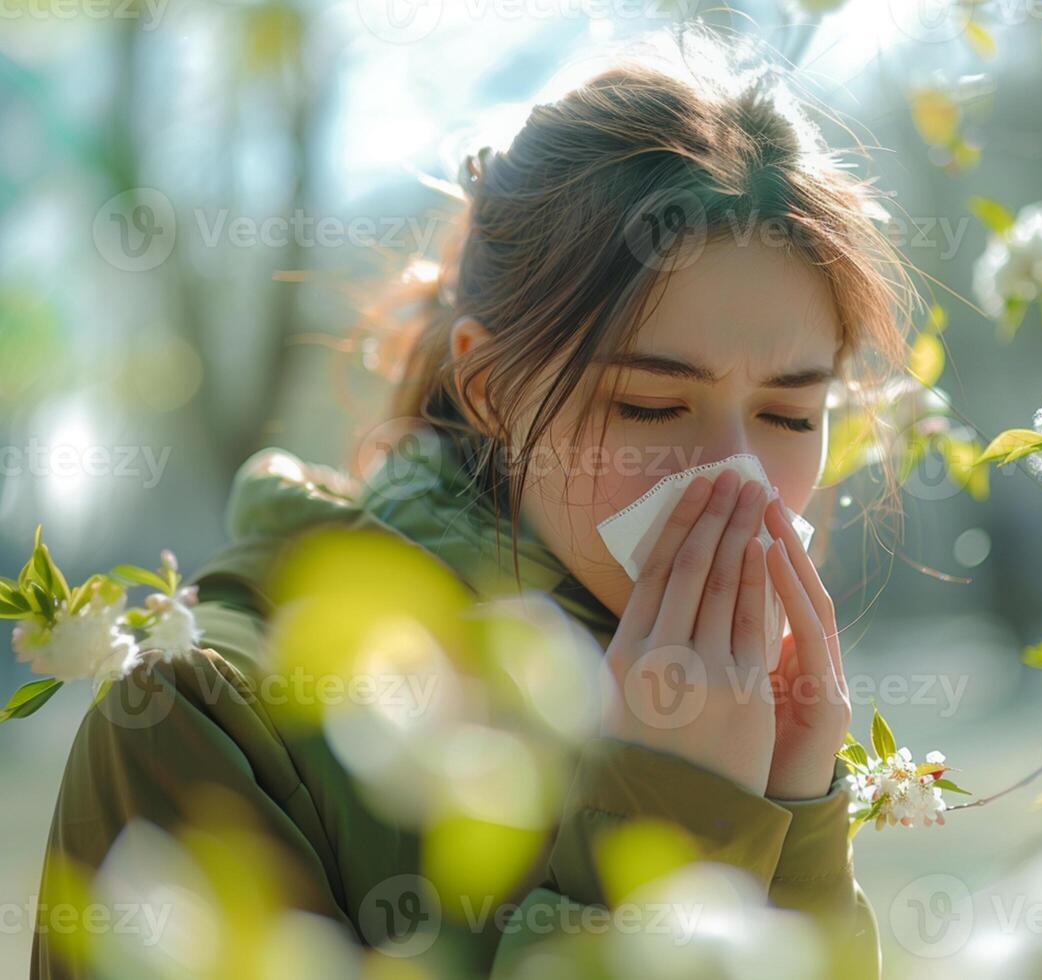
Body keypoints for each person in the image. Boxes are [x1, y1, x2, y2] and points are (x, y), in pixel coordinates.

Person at [31, 24, 917, 979]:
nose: (733, 480)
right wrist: (668, 823)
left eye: (791, 414)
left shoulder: (753, 717)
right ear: (490, 389)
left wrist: (797, 821)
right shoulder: (211, 715)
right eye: (652, 405)